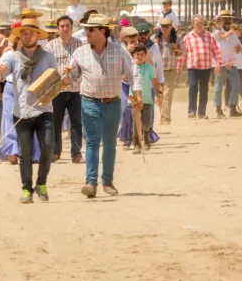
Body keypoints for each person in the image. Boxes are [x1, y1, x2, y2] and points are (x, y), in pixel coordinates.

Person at [66, 14, 141, 198]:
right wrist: (66, 75)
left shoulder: (119, 50)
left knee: (109, 143)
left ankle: (107, 181)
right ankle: (91, 183)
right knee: (92, 142)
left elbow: (133, 73)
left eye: (90, 29)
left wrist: (137, 94)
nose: (87, 32)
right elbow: (71, 77)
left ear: (102, 31)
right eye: (86, 29)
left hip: (113, 102)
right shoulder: (79, 53)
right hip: (89, 102)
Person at [0, 18, 57, 203]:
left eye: (32, 33)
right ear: (20, 36)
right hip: (21, 111)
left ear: (38, 35)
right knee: (25, 153)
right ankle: (26, 190)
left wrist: (60, 82)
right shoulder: (12, 57)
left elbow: (55, 82)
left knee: (48, 148)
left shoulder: (48, 57)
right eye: (25, 33)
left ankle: (41, 183)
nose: (28, 36)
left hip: (45, 110)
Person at [47, 15, 83, 163]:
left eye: (68, 26)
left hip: (76, 89)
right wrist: (59, 79)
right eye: (62, 26)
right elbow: (47, 69)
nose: (65, 29)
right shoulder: (50, 46)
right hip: (57, 90)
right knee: (56, 122)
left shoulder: (80, 45)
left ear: (72, 28)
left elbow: (84, 67)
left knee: (76, 123)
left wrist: (72, 78)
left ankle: (76, 154)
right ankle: (56, 152)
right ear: (57, 29)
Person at [183, 15, 221, 119]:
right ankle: (192, 111)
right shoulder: (188, 37)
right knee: (193, 87)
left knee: (204, 90)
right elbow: (183, 53)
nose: (200, 25)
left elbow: (216, 51)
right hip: (193, 67)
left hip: (206, 67)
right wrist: (178, 67)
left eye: (201, 23)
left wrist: (218, 63)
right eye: (197, 23)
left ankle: (202, 113)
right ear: (193, 25)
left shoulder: (210, 36)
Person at [212, 10, 242, 118]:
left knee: (236, 86)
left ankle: (232, 108)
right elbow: (215, 48)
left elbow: (235, 48)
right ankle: (218, 109)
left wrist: (237, 49)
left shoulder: (232, 34)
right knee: (218, 86)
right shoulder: (216, 32)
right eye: (225, 19)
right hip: (220, 63)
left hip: (231, 63)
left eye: (229, 19)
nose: (227, 21)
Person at [130, 45, 161, 152]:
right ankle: (137, 144)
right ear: (133, 55)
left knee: (146, 123)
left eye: (142, 54)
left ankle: (147, 139)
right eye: (137, 54)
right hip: (134, 100)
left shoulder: (149, 68)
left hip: (147, 99)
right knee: (136, 122)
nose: (139, 57)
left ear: (145, 55)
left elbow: (154, 82)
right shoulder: (131, 67)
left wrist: (157, 95)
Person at [155, 18, 181, 123]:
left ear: (171, 27)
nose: (164, 28)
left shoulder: (177, 39)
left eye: (166, 26)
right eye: (162, 26)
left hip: (171, 70)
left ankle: (165, 118)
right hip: (158, 71)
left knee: (167, 94)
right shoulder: (155, 39)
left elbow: (183, 53)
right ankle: (164, 116)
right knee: (160, 94)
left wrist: (176, 49)